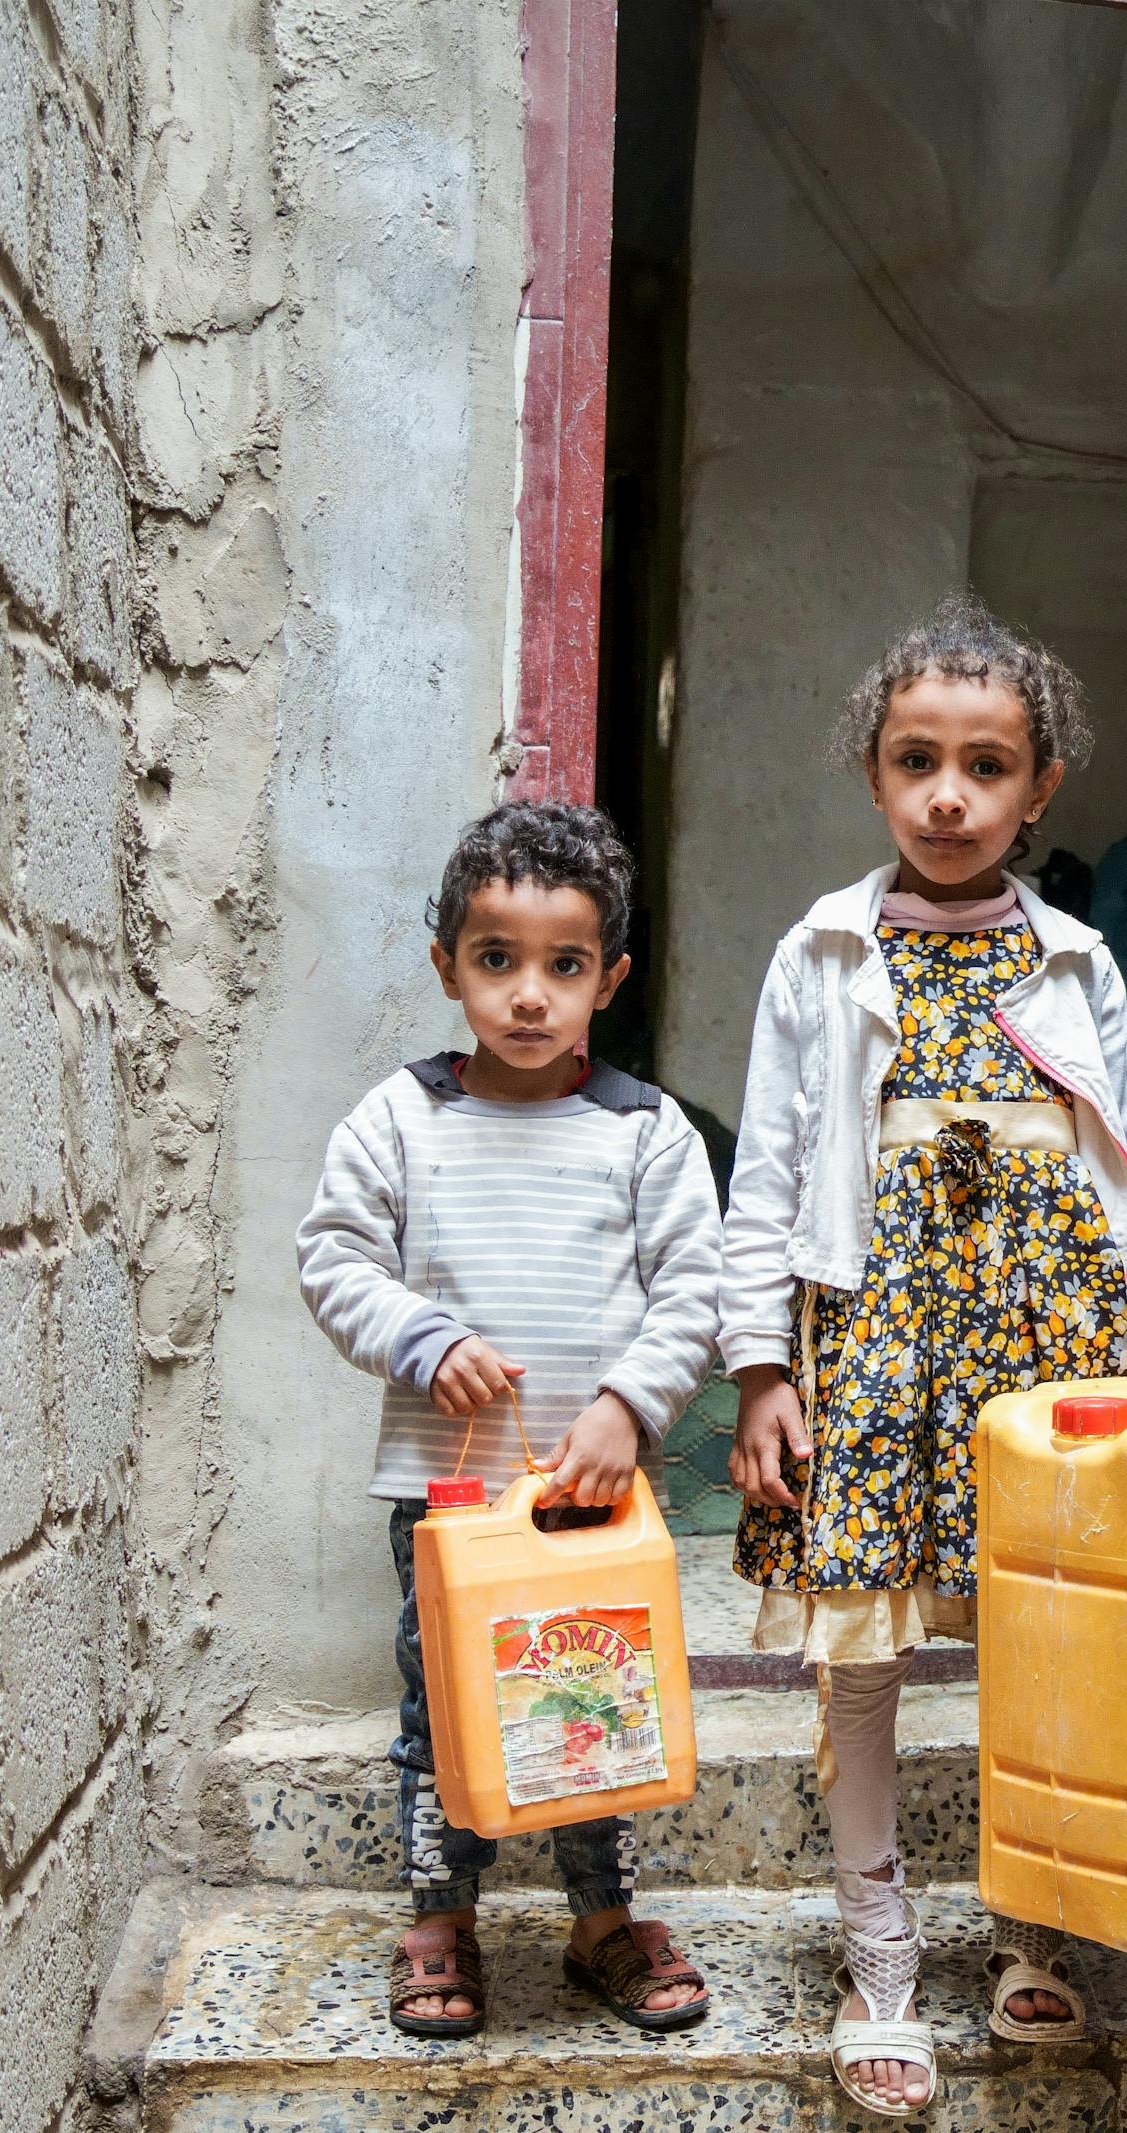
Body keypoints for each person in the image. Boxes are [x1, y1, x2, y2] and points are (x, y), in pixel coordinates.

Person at [716, 593, 1127, 2119]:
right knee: (865, 1647)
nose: (952, 794)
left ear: (1042, 787)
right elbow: (768, 1170)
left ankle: (1032, 1921)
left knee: (1047, 1636)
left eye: (989, 765)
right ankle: (879, 1943)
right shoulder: (824, 952)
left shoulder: (1079, 961)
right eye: (919, 760)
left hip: (1050, 1338)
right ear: (875, 774)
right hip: (882, 1333)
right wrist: (763, 1365)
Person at [294, 800, 727, 2041]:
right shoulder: (401, 1119)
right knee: (444, 1707)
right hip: (448, 1494)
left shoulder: (646, 1133)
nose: (529, 995)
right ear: (447, 969)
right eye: (497, 962)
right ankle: (442, 1916)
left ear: (611, 979)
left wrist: (627, 1404)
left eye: (564, 966)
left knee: (596, 1698)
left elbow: (691, 1290)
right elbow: (334, 1261)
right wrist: (423, 1339)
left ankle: (602, 1917)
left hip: (588, 1496)